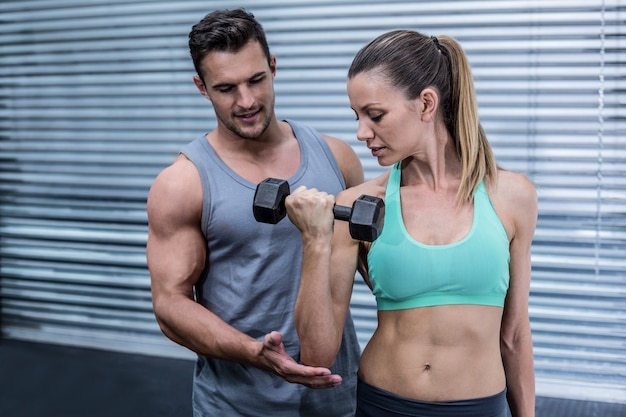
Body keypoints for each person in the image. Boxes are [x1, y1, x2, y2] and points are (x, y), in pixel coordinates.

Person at [285, 30, 537, 417]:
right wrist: (314, 239)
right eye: (357, 117)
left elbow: (515, 335)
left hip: (479, 408)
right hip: (384, 403)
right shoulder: (357, 205)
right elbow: (318, 352)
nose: (361, 133)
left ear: (426, 103)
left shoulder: (512, 197)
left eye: (376, 115)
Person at [145, 8, 363, 417]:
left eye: (256, 80)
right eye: (226, 88)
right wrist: (256, 353)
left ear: (273, 67)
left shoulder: (338, 157)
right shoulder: (182, 182)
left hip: (337, 398)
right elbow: (170, 304)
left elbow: (372, 267)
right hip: (238, 404)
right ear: (201, 87)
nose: (246, 101)